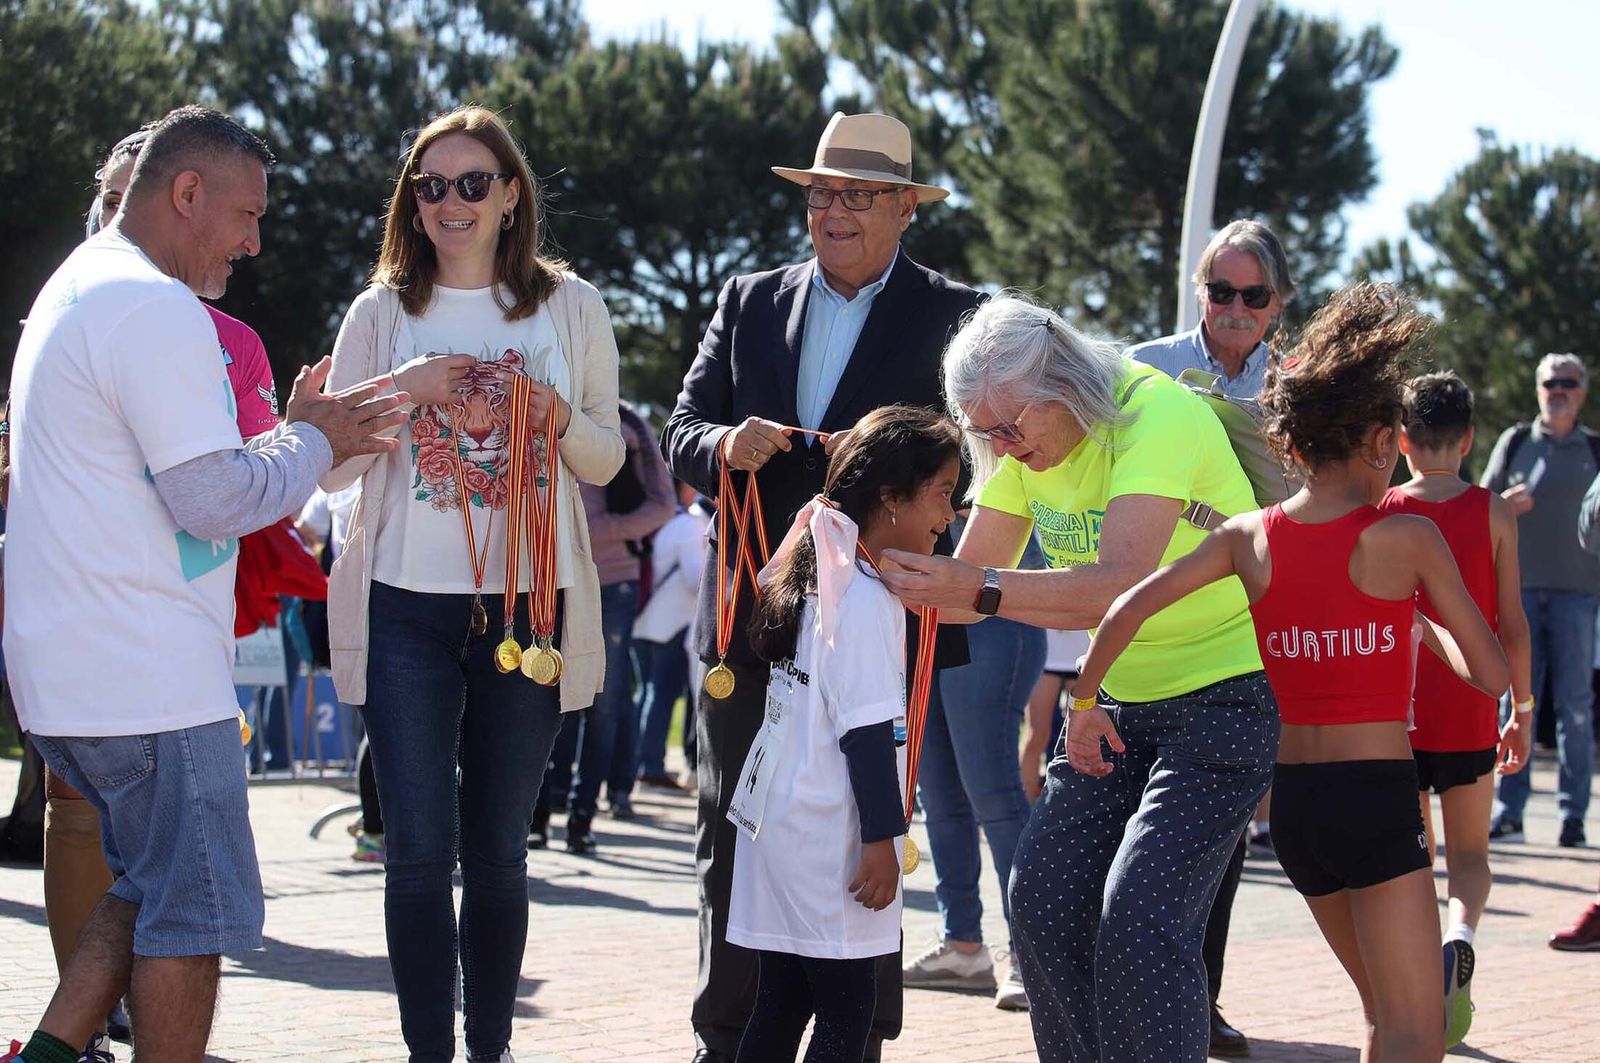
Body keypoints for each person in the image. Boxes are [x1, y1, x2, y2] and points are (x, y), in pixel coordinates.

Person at [2, 104, 405, 1063]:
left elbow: (185, 477)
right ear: (187, 194)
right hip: (146, 680)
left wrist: (292, 433)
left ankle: (51, 1054)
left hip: (76, 675)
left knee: (148, 882)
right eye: (247, 214)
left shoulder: (80, 285)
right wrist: (317, 436)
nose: (255, 242)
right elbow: (214, 498)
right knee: (193, 913)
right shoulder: (155, 305)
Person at [1067, 283, 1510, 1063]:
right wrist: (1417, 621)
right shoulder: (1406, 535)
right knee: (1417, 1030)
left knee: (1381, 1011)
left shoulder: (1249, 537)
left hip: (1295, 810)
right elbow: (1491, 672)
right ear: (1382, 442)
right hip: (1376, 798)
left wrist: (1081, 700)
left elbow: (1123, 608)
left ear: (1290, 444)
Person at [660, 111, 981, 1063]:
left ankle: (855, 1037)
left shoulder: (959, 314)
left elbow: (991, 450)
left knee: (864, 817)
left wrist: (906, 470)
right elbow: (683, 427)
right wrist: (724, 444)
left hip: (884, 615)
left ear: (904, 210)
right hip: (751, 618)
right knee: (732, 819)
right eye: (821, 193)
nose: (833, 211)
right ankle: (730, 1038)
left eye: (860, 195)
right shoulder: (749, 299)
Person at [878, 293, 1272, 1063]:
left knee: (1141, 914)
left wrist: (977, 588)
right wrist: (858, 569)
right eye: (981, 430)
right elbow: (959, 588)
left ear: (1066, 386)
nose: (998, 445)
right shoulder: (1021, 442)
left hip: (1223, 695)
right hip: (1110, 699)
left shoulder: (1155, 417)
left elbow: (1111, 585)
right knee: (1041, 902)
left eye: (1010, 426)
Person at [320, 104, 624, 1063]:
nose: (450, 202)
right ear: (412, 202)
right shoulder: (378, 312)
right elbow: (327, 469)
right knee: (415, 854)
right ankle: (428, 1055)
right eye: (431, 184)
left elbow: (607, 458)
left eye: (471, 183)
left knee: (498, 853)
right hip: (405, 605)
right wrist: (403, 388)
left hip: (529, 609)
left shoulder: (569, 306)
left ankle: (486, 1048)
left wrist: (548, 408)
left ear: (509, 195)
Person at [730, 405, 961, 1063]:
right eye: (942, 493)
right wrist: (882, 843)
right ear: (890, 496)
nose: (951, 514)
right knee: (847, 1007)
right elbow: (867, 735)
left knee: (782, 999)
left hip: (779, 822)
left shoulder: (815, 569)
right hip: (830, 830)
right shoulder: (859, 596)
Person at [1126, 216, 1296, 1056]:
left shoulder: (1302, 389)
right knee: (1126, 820)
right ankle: (1119, 989)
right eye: (1220, 289)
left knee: (1217, 829)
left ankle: (1201, 996)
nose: (1233, 307)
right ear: (1201, 290)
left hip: (1245, 628)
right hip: (1144, 623)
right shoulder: (1142, 367)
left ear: (1278, 304)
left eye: (1251, 294)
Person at [1378, 370, 1533, 1045]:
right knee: (1470, 856)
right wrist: (1521, 708)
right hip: (1473, 703)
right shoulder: (1494, 509)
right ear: (1469, 439)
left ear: (1403, 439)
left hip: (1400, 710)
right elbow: (1514, 622)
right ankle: (1459, 934)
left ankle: (1418, 995)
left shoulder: (1382, 509)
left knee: (1415, 860)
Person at [900, 530, 1045, 1012]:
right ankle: (961, 945)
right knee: (938, 796)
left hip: (993, 610)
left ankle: (1034, 955)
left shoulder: (998, 453)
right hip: (926, 613)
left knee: (994, 793)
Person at [533, 401, 674, 849]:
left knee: (604, 701)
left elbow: (663, 504)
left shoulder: (630, 421)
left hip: (610, 582)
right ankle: (533, 818)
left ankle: (581, 819)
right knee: (534, 697)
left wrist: (597, 530)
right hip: (539, 577)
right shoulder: (537, 399)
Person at [1481, 352, 1599, 847]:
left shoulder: (1594, 448)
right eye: (1551, 381)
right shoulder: (1515, 443)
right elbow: (1478, 506)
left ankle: (1573, 816)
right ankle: (1510, 810)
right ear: (1537, 388)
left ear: (1582, 392)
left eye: (1569, 382)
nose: (1559, 390)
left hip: (1580, 597)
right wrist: (1503, 505)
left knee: (1575, 709)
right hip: (1519, 595)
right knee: (1515, 701)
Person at [632, 480, 712, 790]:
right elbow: (696, 580)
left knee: (648, 693)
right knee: (662, 694)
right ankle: (650, 765)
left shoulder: (664, 523)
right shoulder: (687, 526)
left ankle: (638, 762)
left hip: (645, 620)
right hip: (672, 623)